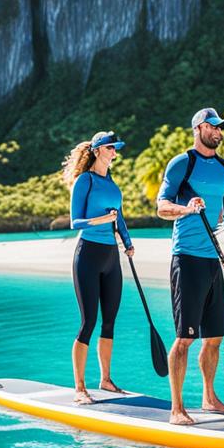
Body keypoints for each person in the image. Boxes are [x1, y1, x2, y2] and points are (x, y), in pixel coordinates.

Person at [156, 107, 224, 425]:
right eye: (214, 127)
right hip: (187, 258)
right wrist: (187, 209)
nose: (219, 133)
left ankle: (209, 398)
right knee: (185, 337)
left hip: (213, 260)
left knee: (214, 336)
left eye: (221, 128)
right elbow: (161, 207)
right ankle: (177, 409)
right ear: (199, 129)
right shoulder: (183, 163)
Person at [62, 131, 135, 405]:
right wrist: (101, 219)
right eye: (110, 148)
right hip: (88, 254)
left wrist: (127, 243)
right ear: (97, 150)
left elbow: (121, 218)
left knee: (109, 321)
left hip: (111, 257)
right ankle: (80, 387)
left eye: (115, 148)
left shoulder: (112, 183)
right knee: (88, 322)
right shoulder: (85, 181)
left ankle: (105, 379)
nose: (114, 152)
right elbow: (75, 222)